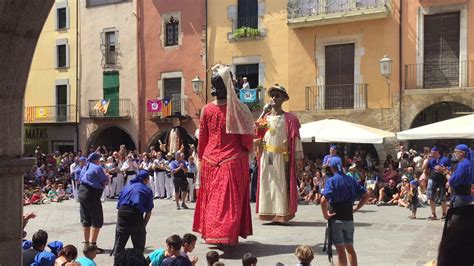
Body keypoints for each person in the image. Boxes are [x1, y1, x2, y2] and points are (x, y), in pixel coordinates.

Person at [193, 64, 254, 246]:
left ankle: (213, 232)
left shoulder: (206, 110)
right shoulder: (240, 109)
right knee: (228, 202)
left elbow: (202, 140)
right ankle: (227, 234)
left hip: (210, 161)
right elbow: (246, 141)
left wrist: (202, 159)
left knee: (212, 199)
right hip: (232, 160)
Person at [255, 84, 303, 223]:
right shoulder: (266, 118)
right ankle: (267, 213)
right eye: (272, 95)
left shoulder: (290, 119)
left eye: (278, 96)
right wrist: (263, 113)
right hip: (267, 155)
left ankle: (281, 213)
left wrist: (298, 157)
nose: (274, 98)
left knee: (280, 184)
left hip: (282, 157)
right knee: (267, 183)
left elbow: (296, 139)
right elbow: (257, 132)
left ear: (283, 99)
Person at [320, 157, 369, 266]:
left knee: (340, 250)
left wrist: (325, 215)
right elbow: (366, 195)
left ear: (332, 168)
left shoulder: (331, 181)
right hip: (349, 217)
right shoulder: (351, 179)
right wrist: (356, 208)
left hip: (336, 217)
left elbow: (323, 200)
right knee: (350, 248)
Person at [112, 170, 154, 255]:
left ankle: (117, 261)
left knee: (119, 245)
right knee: (139, 247)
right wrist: (143, 225)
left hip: (122, 214)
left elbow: (118, 205)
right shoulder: (147, 189)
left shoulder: (126, 187)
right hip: (135, 214)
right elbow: (148, 211)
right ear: (146, 179)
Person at [77, 152, 109, 253]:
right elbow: (105, 181)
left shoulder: (84, 167)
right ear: (96, 160)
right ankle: (93, 246)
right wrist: (107, 176)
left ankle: (86, 244)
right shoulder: (98, 168)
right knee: (97, 220)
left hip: (82, 193)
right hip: (92, 194)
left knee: (85, 219)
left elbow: (80, 179)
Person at [425, 147, 451, 220]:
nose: (432, 154)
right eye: (431, 153)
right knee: (431, 197)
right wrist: (427, 160)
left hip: (442, 180)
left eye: (433, 153)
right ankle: (433, 214)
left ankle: (444, 214)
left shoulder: (445, 159)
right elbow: (424, 168)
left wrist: (442, 169)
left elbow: (449, 168)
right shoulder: (431, 160)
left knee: (442, 197)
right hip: (432, 179)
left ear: (437, 152)